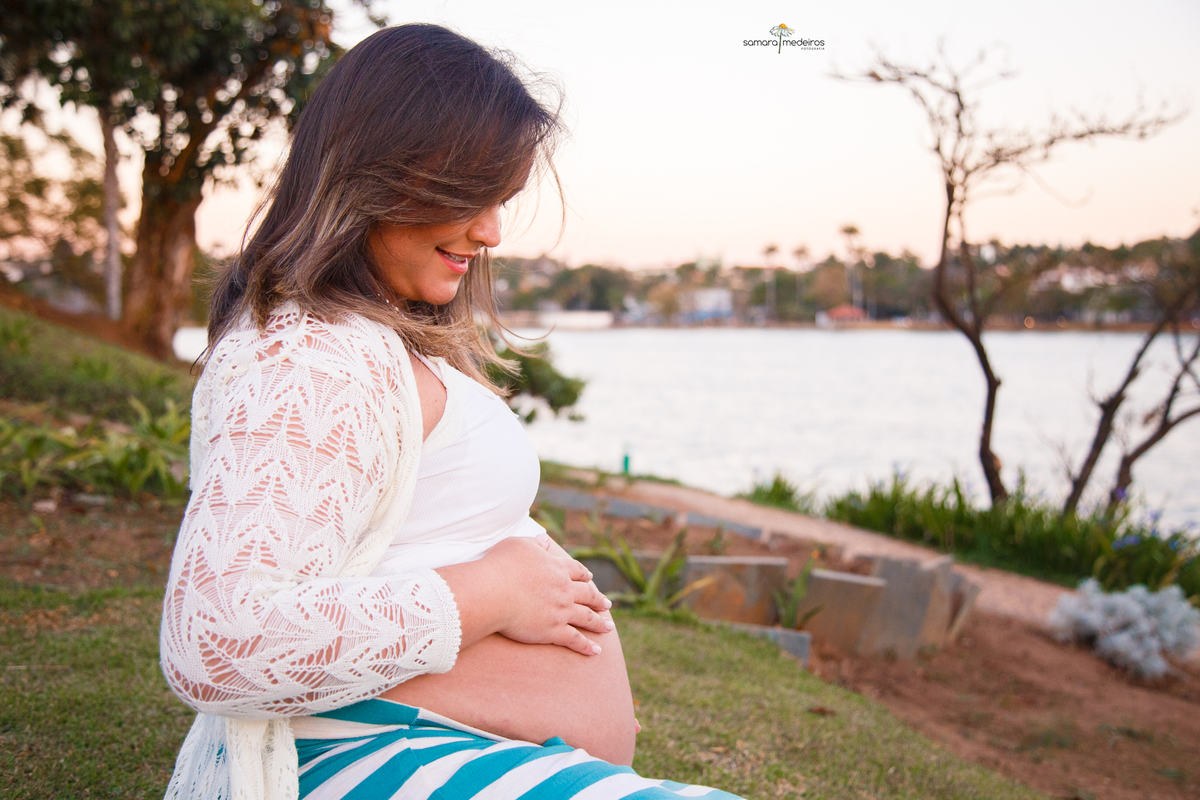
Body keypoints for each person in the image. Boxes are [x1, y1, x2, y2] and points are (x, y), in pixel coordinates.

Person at [159, 23, 742, 800]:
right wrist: (495, 590)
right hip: (362, 758)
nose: (491, 231)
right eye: (471, 196)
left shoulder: (359, 341)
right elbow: (222, 641)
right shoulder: (306, 355)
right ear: (379, 172)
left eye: (501, 199)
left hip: (426, 752)